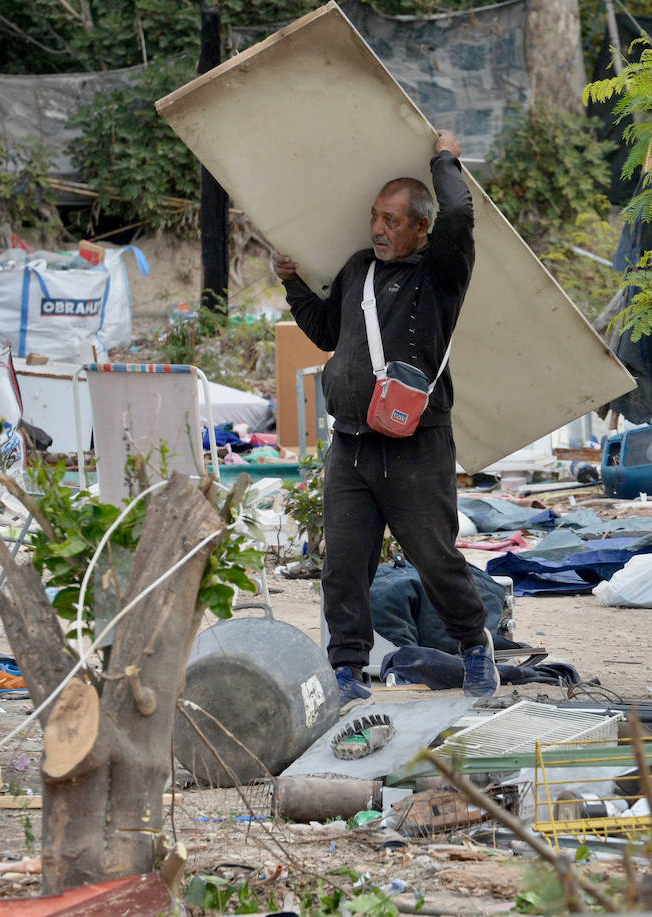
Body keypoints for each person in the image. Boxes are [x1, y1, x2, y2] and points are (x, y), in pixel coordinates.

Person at [272, 130, 498, 704]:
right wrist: (292, 284)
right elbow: (326, 332)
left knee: (435, 557)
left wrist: (444, 158)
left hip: (416, 447)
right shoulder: (358, 271)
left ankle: (475, 648)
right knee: (344, 564)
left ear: (421, 228)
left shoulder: (442, 273)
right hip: (350, 445)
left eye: (393, 220)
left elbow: (460, 210)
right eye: (376, 216)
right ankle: (346, 672)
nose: (378, 228)